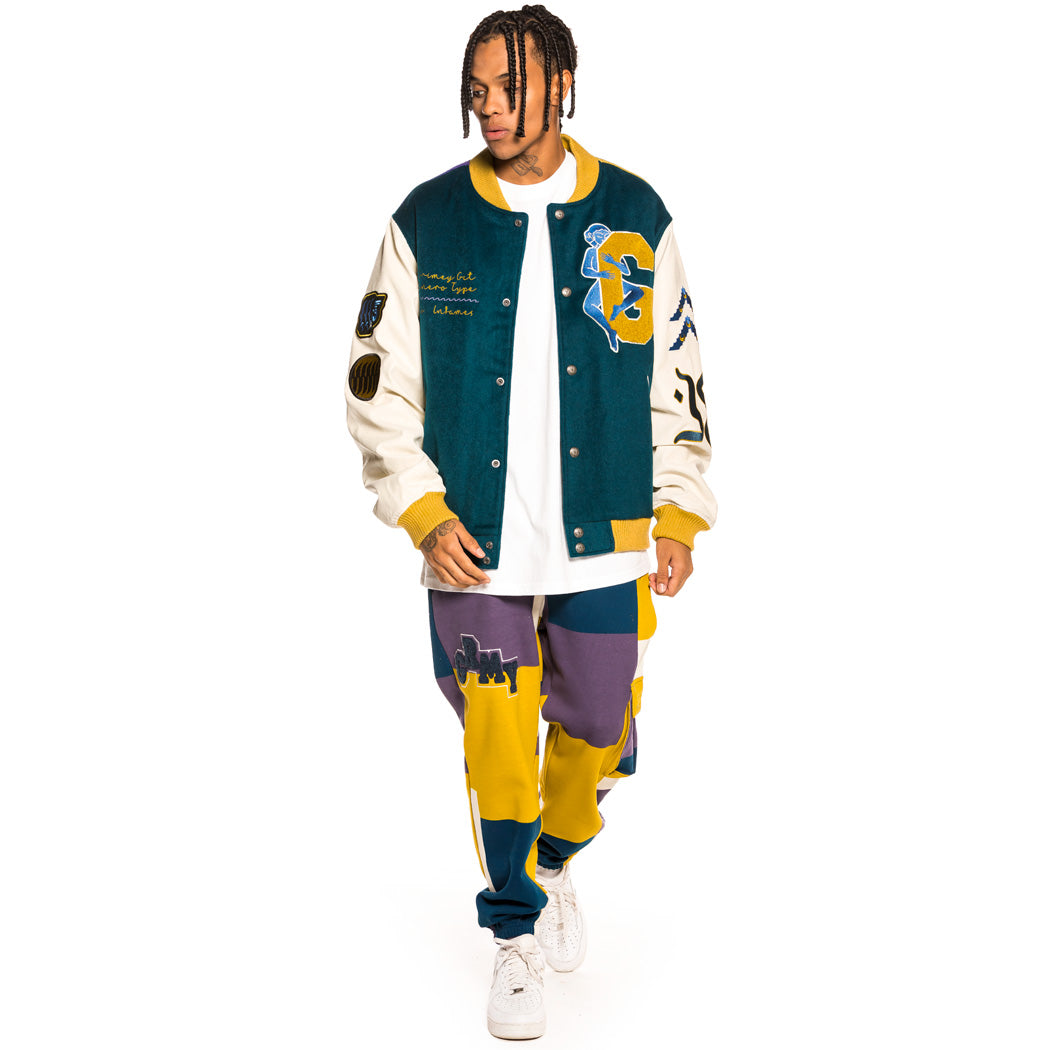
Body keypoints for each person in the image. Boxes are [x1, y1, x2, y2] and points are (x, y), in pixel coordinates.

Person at [344, 5, 716, 1039]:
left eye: (509, 87)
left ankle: (553, 861)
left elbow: (678, 373)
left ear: (563, 85)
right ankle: (512, 934)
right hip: (474, 543)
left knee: (598, 723)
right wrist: (421, 510)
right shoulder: (427, 221)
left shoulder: (634, 213)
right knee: (500, 744)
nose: (490, 107)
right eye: (477, 89)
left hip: (606, 532)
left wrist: (680, 508)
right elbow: (376, 384)